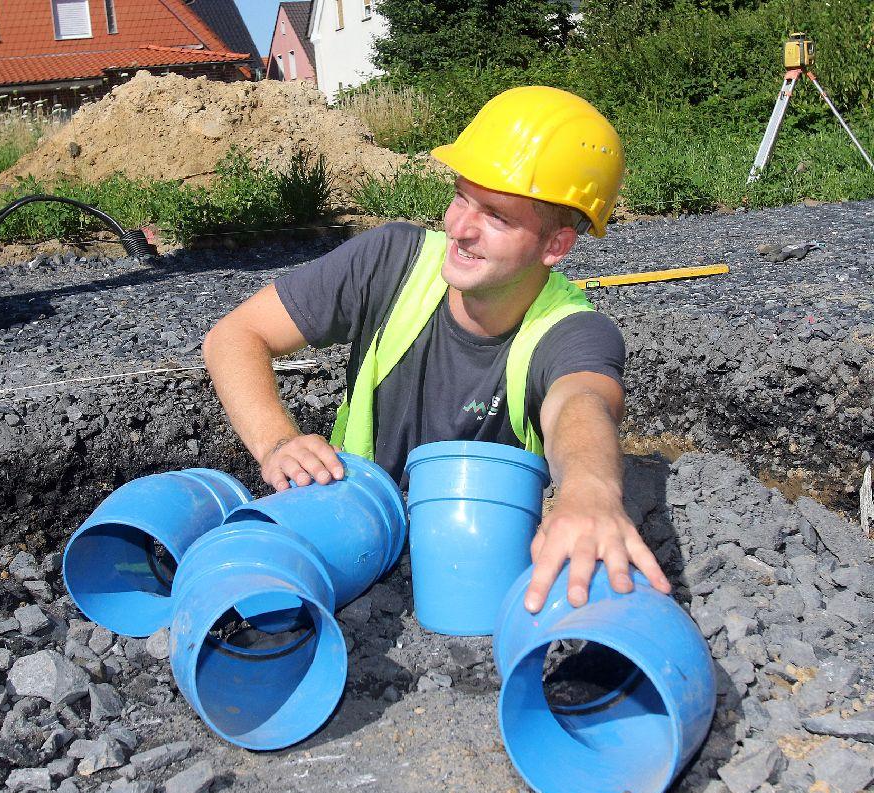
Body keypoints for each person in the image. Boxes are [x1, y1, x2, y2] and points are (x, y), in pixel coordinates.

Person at [203, 86, 671, 613]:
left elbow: (582, 402)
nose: (459, 228)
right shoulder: (391, 261)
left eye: (497, 216)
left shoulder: (573, 329)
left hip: (469, 564)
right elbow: (234, 335)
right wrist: (275, 443)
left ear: (555, 245)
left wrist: (589, 493)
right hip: (349, 516)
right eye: (460, 197)